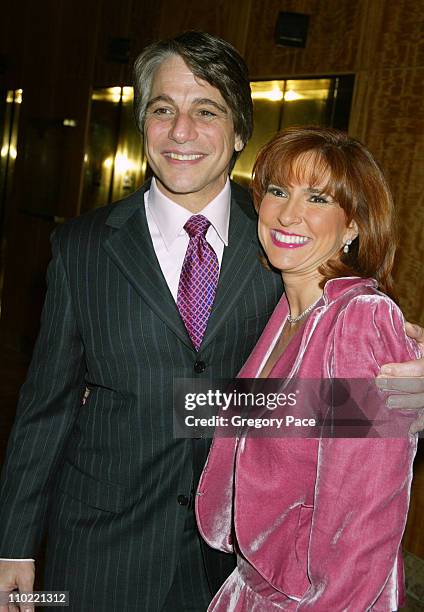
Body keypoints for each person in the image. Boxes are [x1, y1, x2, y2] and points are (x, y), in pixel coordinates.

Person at [0, 32, 422, 612]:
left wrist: (402, 387)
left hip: (236, 562)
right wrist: (13, 548)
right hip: (99, 546)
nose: (181, 132)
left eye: (206, 111)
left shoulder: (280, 237)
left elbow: (353, 334)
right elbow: (45, 405)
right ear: (142, 124)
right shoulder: (81, 247)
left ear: (240, 132)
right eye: (163, 110)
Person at [196, 126, 422, 611]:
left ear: (354, 226)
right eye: (278, 190)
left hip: (314, 598)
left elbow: (366, 515)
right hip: (253, 585)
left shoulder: (360, 319)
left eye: (317, 198)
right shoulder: (286, 312)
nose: (289, 213)